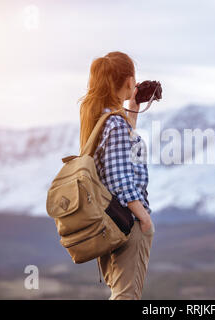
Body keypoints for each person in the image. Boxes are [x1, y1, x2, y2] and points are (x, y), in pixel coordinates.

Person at [79, 51, 154, 300]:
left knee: (120, 293)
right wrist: (144, 219)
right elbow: (120, 178)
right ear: (130, 80)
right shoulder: (115, 124)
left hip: (108, 220)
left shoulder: (99, 118)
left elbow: (120, 152)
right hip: (127, 221)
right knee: (127, 296)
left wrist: (133, 108)